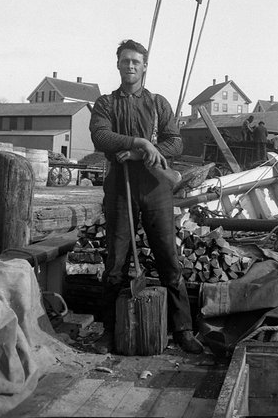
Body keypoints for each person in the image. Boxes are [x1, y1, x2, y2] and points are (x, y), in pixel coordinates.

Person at [89, 39, 203, 355]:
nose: (130, 66)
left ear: (144, 67)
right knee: (115, 263)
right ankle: (108, 331)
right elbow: (100, 137)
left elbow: (175, 143)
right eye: (125, 61)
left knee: (168, 258)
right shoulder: (105, 104)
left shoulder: (157, 103)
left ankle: (183, 330)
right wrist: (140, 140)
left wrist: (140, 154)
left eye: (136, 62)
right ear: (118, 65)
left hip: (155, 189)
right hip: (119, 191)